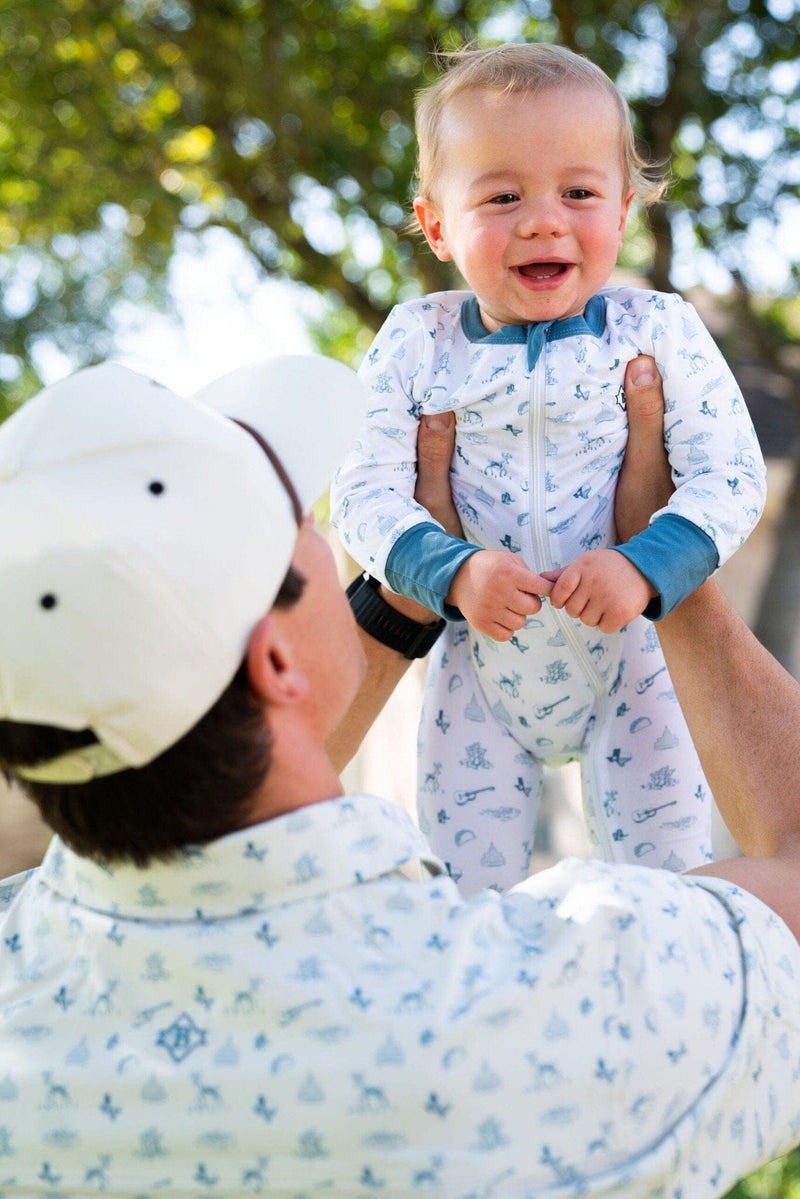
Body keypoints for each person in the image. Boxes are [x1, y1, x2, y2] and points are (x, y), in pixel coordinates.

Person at [0, 352, 797, 1199]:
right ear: (274, 656)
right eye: (303, 524)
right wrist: (666, 562)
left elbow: (221, 765)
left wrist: (407, 597)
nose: (329, 534)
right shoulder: (573, 1004)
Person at [331, 43, 767, 894]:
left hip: (633, 660)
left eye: (578, 192)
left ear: (625, 207)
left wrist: (646, 566)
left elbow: (732, 474)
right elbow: (361, 492)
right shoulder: (417, 340)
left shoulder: (656, 329)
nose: (543, 220)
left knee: (661, 893)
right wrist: (450, 570)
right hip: (477, 665)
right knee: (463, 898)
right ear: (436, 223)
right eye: (501, 196)